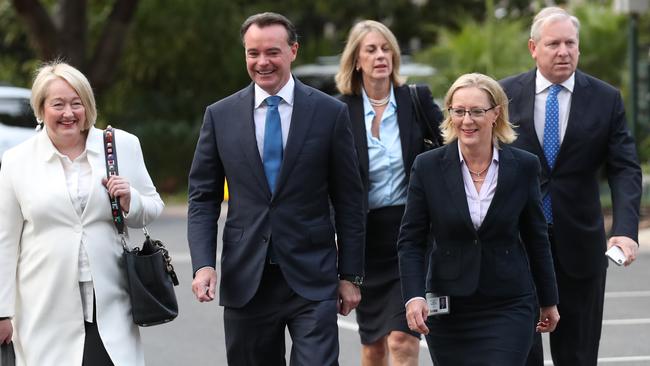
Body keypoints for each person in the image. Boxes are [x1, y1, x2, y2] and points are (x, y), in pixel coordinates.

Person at [187, 12, 365, 366]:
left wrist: (350, 275)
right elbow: (203, 197)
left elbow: (349, 200)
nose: (262, 62)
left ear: (293, 51)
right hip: (247, 278)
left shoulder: (329, 113)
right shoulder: (220, 116)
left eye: (272, 52)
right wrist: (203, 264)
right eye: (253, 53)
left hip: (312, 276)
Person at [499, 7, 642, 365]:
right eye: (553, 44)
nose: (563, 51)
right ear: (534, 48)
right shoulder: (503, 95)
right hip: (517, 247)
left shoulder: (605, 98)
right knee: (518, 354)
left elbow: (624, 168)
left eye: (570, 43)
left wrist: (625, 230)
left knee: (577, 356)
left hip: (581, 249)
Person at [0, 61, 164, 365]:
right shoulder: (16, 161)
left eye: (77, 104)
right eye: (58, 104)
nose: (69, 113)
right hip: (44, 305)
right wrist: (2, 311)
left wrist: (131, 200)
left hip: (112, 301)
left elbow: (153, 207)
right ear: (41, 108)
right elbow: (5, 241)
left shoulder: (121, 146)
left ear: (88, 106)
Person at [398, 73, 560, 365]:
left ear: (496, 113)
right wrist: (414, 296)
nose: (467, 120)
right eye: (458, 111)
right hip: (448, 308)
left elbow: (537, 238)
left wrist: (548, 300)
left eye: (476, 111)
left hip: (509, 303)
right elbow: (411, 240)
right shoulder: (427, 166)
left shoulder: (523, 166)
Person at [335, 20, 443, 366]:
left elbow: (448, 149)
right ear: (356, 60)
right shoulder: (338, 110)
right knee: (373, 347)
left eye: (386, 49)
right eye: (371, 49)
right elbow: (326, 176)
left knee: (401, 338)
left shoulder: (416, 99)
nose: (381, 56)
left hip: (411, 235)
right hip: (363, 240)